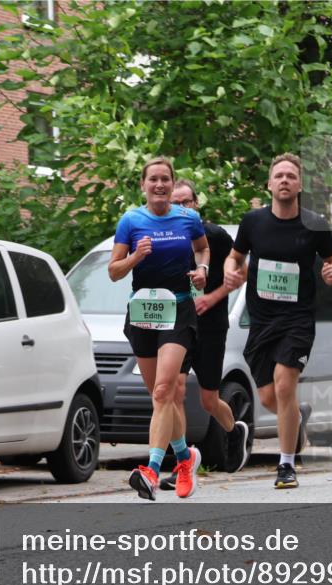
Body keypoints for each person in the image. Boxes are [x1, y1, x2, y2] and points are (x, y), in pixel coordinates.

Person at [223, 153, 332, 489]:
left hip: (298, 318)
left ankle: (286, 465)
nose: (285, 180)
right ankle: (295, 418)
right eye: (280, 175)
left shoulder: (314, 224)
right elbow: (234, 258)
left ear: (300, 184)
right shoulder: (253, 222)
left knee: (284, 383)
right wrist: (230, 274)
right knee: (267, 398)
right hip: (261, 320)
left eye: (292, 175)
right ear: (270, 183)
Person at [109, 157, 209, 501]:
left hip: (178, 309)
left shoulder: (189, 219)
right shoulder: (131, 221)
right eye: (153, 179)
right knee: (161, 398)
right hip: (143, 311)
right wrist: (136, 257)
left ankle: (151, 470)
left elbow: (202, 248)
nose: (160, 185)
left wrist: (203, 270)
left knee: (165, 389)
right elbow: (114, 271)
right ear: (143, 185)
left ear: (172, 182)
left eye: (165, 179)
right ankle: (185, 458)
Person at [154, 180, 250, 492]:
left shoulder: (217, 236)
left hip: (210, 324)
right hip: (179, 323)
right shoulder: (164, 236)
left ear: (197, 205)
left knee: (209, 399)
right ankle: (183, 464)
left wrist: (213, 296)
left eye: (187, 202)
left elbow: (241, 273)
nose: (182, 208)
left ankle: (233, 430)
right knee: (174, 390)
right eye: (176, 202)